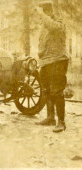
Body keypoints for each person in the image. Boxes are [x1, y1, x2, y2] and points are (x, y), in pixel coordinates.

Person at [35, 2, 69, 133]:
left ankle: (61, 122)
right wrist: (41, 52)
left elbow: (54, 28)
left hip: (58, 60)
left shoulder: (59, 21)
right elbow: (42, 41)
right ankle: (50, 117)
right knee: (47, 90)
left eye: (43, 13)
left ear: (48, 12)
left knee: (56, 91)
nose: (40, 17)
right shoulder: (44, 25)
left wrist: (42, 15)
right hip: (46, 62)